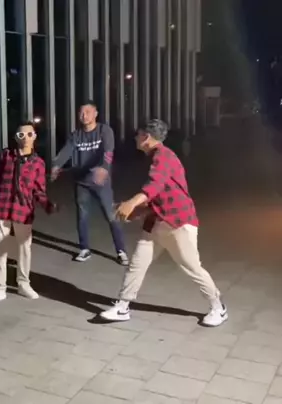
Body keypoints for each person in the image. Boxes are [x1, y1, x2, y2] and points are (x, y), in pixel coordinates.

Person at [100, 119, 228, 326]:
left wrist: (132, 203)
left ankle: (218, 307)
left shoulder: (163, 156)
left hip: (178, 222)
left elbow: (154, 185)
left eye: (138, 134)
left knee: (192, 267)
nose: (135, 138)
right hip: (157, 222)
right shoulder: (154, 156)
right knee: (137, 264)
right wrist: (138, 210)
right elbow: (158, 195)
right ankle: (122, 307)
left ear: (146, 137)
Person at [0, 121, 56, 306]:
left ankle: (23, 283)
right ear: (15, 138)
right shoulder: (7, 156)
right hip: (2, 208)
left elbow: (39, 189)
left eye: (29, 134)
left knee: (24, 249)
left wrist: (47, 205)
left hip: (23, 210)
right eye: (21, 135)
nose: (25, 138)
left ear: (35, 137)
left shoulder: (38, 163)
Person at [51, 101, 128, 265]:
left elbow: (108, 151)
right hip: (81, 181)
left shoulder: (104, 131)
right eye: (81, 112)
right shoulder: (76, 135)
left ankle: (121, 250)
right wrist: (56, 165)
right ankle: (84, 249)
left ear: (95, 114)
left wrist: (104, 168)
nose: (84, 115)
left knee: (110, 214)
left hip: (101, 182)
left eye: (87, 112)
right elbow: (66, 151)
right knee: (82, 216)